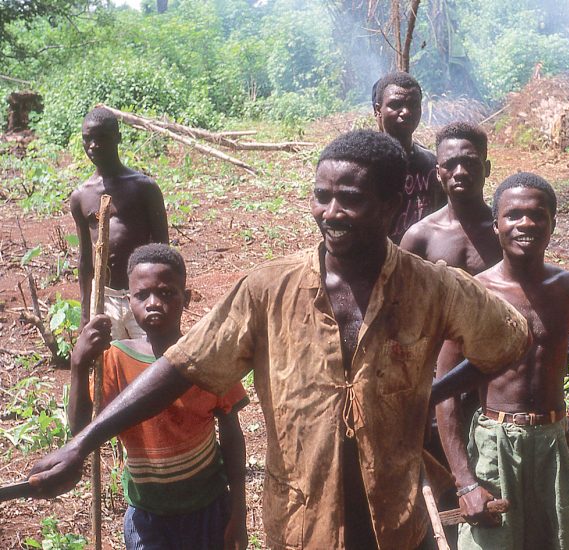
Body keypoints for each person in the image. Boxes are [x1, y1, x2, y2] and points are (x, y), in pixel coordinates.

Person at [28, 130, 530, 550]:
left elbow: (508, 340)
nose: (331, 212)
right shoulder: (268, 290)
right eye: (322, 196)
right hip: (299, 526)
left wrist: (428, 395)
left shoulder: (433, 287)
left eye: (351, 199)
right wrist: (83, 442)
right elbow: (183, 365)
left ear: (392, 205)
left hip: (398, 528)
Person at [436, 173, 569, 550]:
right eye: (513, 215)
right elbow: (445, 393)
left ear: (552, 223)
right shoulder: (475, 293)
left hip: (553, 445)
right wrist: (466, 482)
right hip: (494, 443)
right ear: (496, 226)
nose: (526, 224)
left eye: (538, 215)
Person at [68, 244, 248, 549]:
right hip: (147, 515)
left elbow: (231, 434)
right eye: (142, 295)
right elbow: (80, 432)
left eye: (167, 293)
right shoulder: (115, 361)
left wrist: (239, 510)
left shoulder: (206, 357)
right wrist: (78, 365)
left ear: (186, 299)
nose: (154, 303)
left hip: (208, 507)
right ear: (128, 301)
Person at [71, 106, 168, 338]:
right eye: (87, 139)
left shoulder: (144, 188)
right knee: (110, 364)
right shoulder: (81, 196)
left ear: (118, 138)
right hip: (104, 297)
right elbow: (85, 260)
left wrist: (165, 296)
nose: (93, 145)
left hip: (144, 294)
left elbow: (163, 249)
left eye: (101, 138)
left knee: (151, 363)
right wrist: (86, 313)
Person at [401, 122, 502, 275]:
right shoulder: (420, 237)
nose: (460, 172)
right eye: (449, 164)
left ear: (487, 168)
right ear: (437, 173)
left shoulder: (503, 232)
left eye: (470, 163)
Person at [372, 72, 446, 242]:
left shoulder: (431, 163)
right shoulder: (365, 166)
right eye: (396, 104)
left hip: (422, 263)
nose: (406, 112)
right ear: (378, 110)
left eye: (413, 104)